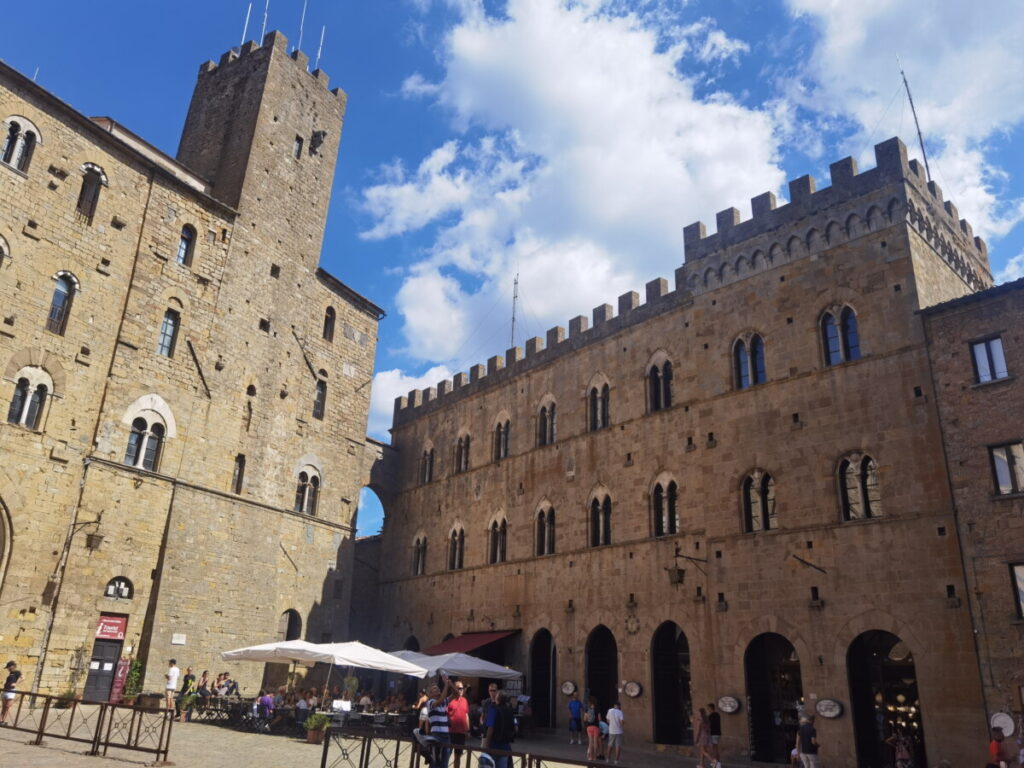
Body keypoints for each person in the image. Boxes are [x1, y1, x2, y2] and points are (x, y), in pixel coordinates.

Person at [424, 680, 453, 768]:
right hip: (436, 735)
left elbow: (456, 694)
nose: (438, 690)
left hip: (446, 736)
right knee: (435, 762)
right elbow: (439, 701)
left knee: (444, 763)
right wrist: (446, 685)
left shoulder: (444, 702)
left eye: (438, 689)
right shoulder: (430, 703)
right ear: (430, 694)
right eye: (435, 689)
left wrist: (450, 684)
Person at [483, 691, 516, 768]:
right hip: (505, 746)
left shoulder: (493, 710)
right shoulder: (510, 711)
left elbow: (490, 729)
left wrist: (486, 746)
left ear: (497, 699)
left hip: (494, 746)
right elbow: (516, 728)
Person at [447, 680, 471, 750]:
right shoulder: (449, 700)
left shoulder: (464, 700)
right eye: (459, 688)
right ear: (454, 689)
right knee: (448, 753)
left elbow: (466, 715)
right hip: (451, 732)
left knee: (458, 755)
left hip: (461, 733)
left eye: (462, 688)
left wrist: (468, 730)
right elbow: (445, 714)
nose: (461, 690)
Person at [1, 661, 21, 725]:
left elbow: (23, 678)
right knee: (4, 706)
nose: (8, 669)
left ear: (12, 666)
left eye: (8, 667)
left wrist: (16, 684)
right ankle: (1, 720)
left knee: (8, 706)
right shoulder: (11, 673)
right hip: (5, 690)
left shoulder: (17, 672)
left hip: (11, 691)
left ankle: (5, 721)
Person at [584, 695, 602, 761]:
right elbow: (600, 719)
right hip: (596, 727)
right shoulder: (597, 709)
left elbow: (585, 719)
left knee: (590, 742)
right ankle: (594, 757)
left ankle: (590, 757)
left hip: (589, 727)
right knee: (595, 742)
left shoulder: (587, 709)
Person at [708, 701, 722, 768]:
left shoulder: (710, 716)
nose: (708, 709)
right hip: (718, 733)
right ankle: (717, 763)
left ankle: (717, 764)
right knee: (716, 749)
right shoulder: (718, 714)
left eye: (708, 708)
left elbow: (709, 725)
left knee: (714, 749)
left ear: (710, 708)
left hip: (713, 733)